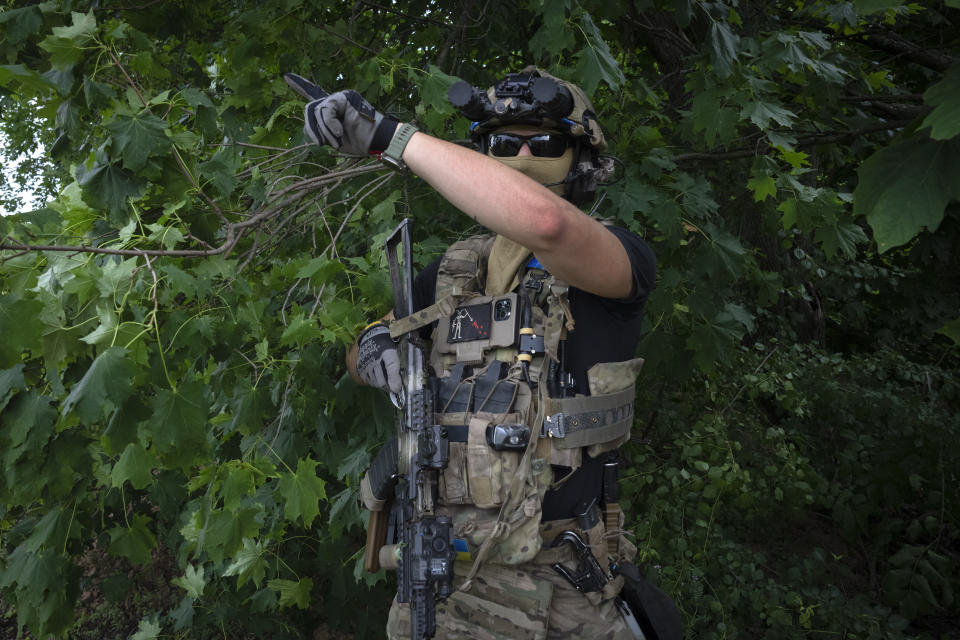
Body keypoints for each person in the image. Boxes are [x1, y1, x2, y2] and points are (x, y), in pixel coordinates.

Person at [287, 67, 658, 639]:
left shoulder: (615, 255)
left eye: (547, 142)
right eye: (506, 144)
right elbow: (361, 354)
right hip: (443, 575)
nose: (525, 154)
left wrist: (392, 137)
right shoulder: (459, 269)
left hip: (556, 591)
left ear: (581, 159)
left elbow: (545, 222)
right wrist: (375, 348)